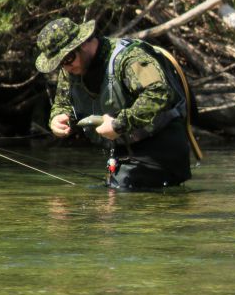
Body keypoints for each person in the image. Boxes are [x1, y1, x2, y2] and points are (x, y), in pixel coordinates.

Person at [34, 17, 200, 189]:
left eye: (67, 58)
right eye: (59, 63)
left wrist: (120, 124)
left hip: (161, 147)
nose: (66, 67)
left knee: (112, 201)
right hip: (123, 153)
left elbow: (158, 93)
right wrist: (57, 118)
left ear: (82, 43)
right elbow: (63, 104)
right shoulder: (70, 69)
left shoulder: (130, 58)